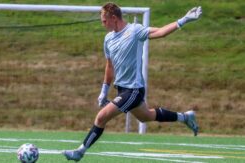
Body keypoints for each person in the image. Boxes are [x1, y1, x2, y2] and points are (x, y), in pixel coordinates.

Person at [63, 2, 202, 162]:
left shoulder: (135, 30)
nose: (103, 24)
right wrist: (104, 91)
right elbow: (109, 66)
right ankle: (185, 117)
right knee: (146, 116)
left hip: (133, 90)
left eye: (104, 21)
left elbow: (161, 32)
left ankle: (80, 151)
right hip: (122, 90)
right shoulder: (108, 39)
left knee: (101, 118)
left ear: (114, 18)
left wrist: (184, 19)